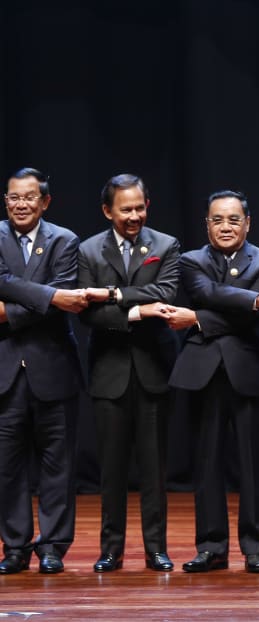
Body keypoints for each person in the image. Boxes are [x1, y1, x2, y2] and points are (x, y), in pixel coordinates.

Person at [165, 190, 259, 573]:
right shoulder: (190, 261)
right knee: (206, 464)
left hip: (249, 372)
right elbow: (204, 293)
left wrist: (199, 319)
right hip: (203, 374)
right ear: (206, 223)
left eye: (233, 220)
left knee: (254, 465)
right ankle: (211, 547)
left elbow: (248, 318)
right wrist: (252, 300)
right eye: (217, 220)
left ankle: (256, 548)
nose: (225, 227)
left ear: (247, 223)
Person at [78, 173, 180, 572]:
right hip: (108, 370)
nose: (134, 215)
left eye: (140, 207)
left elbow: (166, 293)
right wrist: (137, 311)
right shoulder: (87, 251)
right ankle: (111, 549)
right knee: (112, 468)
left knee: (155, 469)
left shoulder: (166, 245)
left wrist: (115, 295)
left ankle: (157, 547)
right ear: (108, 211)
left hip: (153, 367)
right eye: (126, 209)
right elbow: (88, 312)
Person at [0, 168, 87, 574]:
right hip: (5, 372)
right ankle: (14, 546)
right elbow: (57, 297)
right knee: (7, 465)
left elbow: (69, 298)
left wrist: (9, 308)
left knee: (58, 464)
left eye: (29, 197)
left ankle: (52, 546)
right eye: (14, 197)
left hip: (54, 368)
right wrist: (51, 296)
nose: (20, 204)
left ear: (45, 202)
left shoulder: (65, 240)